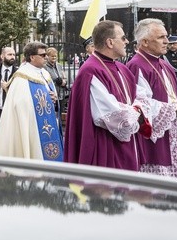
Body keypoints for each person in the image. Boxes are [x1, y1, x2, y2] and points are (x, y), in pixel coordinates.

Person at [64, 20, 151, 171]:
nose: (127, 41)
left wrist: (137, 107)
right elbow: (110, 114)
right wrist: (137, 111)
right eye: (123, 38)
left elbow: (141, 95)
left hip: (128, 141)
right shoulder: (90, 71)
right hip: (105, 144)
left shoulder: (121, 68)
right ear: (110, 42)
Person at [126, 19, 177, 179]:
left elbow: (174, 95)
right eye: (161, 37)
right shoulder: (136, 65)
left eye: (166, 36)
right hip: (155, 138)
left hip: (175, 130)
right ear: (145, 42)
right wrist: (173, 110)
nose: (166, 41)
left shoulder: (164, 64)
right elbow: (141, 104)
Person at [0, 42, 64, 161]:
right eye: (42, 55)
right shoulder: (22, 77)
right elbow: (21, 106)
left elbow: (53, 98)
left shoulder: (45, 74)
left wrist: (54, 100)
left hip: (49, 123)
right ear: (32, 57)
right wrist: (46, 99)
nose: (46, 57)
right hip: (33, 128)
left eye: (46, 55)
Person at [44, 47, 67, 132]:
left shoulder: (59, 66)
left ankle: (59, 131)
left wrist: (63, 82)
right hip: (51, 96)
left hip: (60, 94)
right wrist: (55, 82)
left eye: (55, 56)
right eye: (52, 56)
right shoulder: (45, 67)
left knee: (59, 116)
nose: (54, 58)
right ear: (47, 57)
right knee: (51, 116)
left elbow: (64, 78)